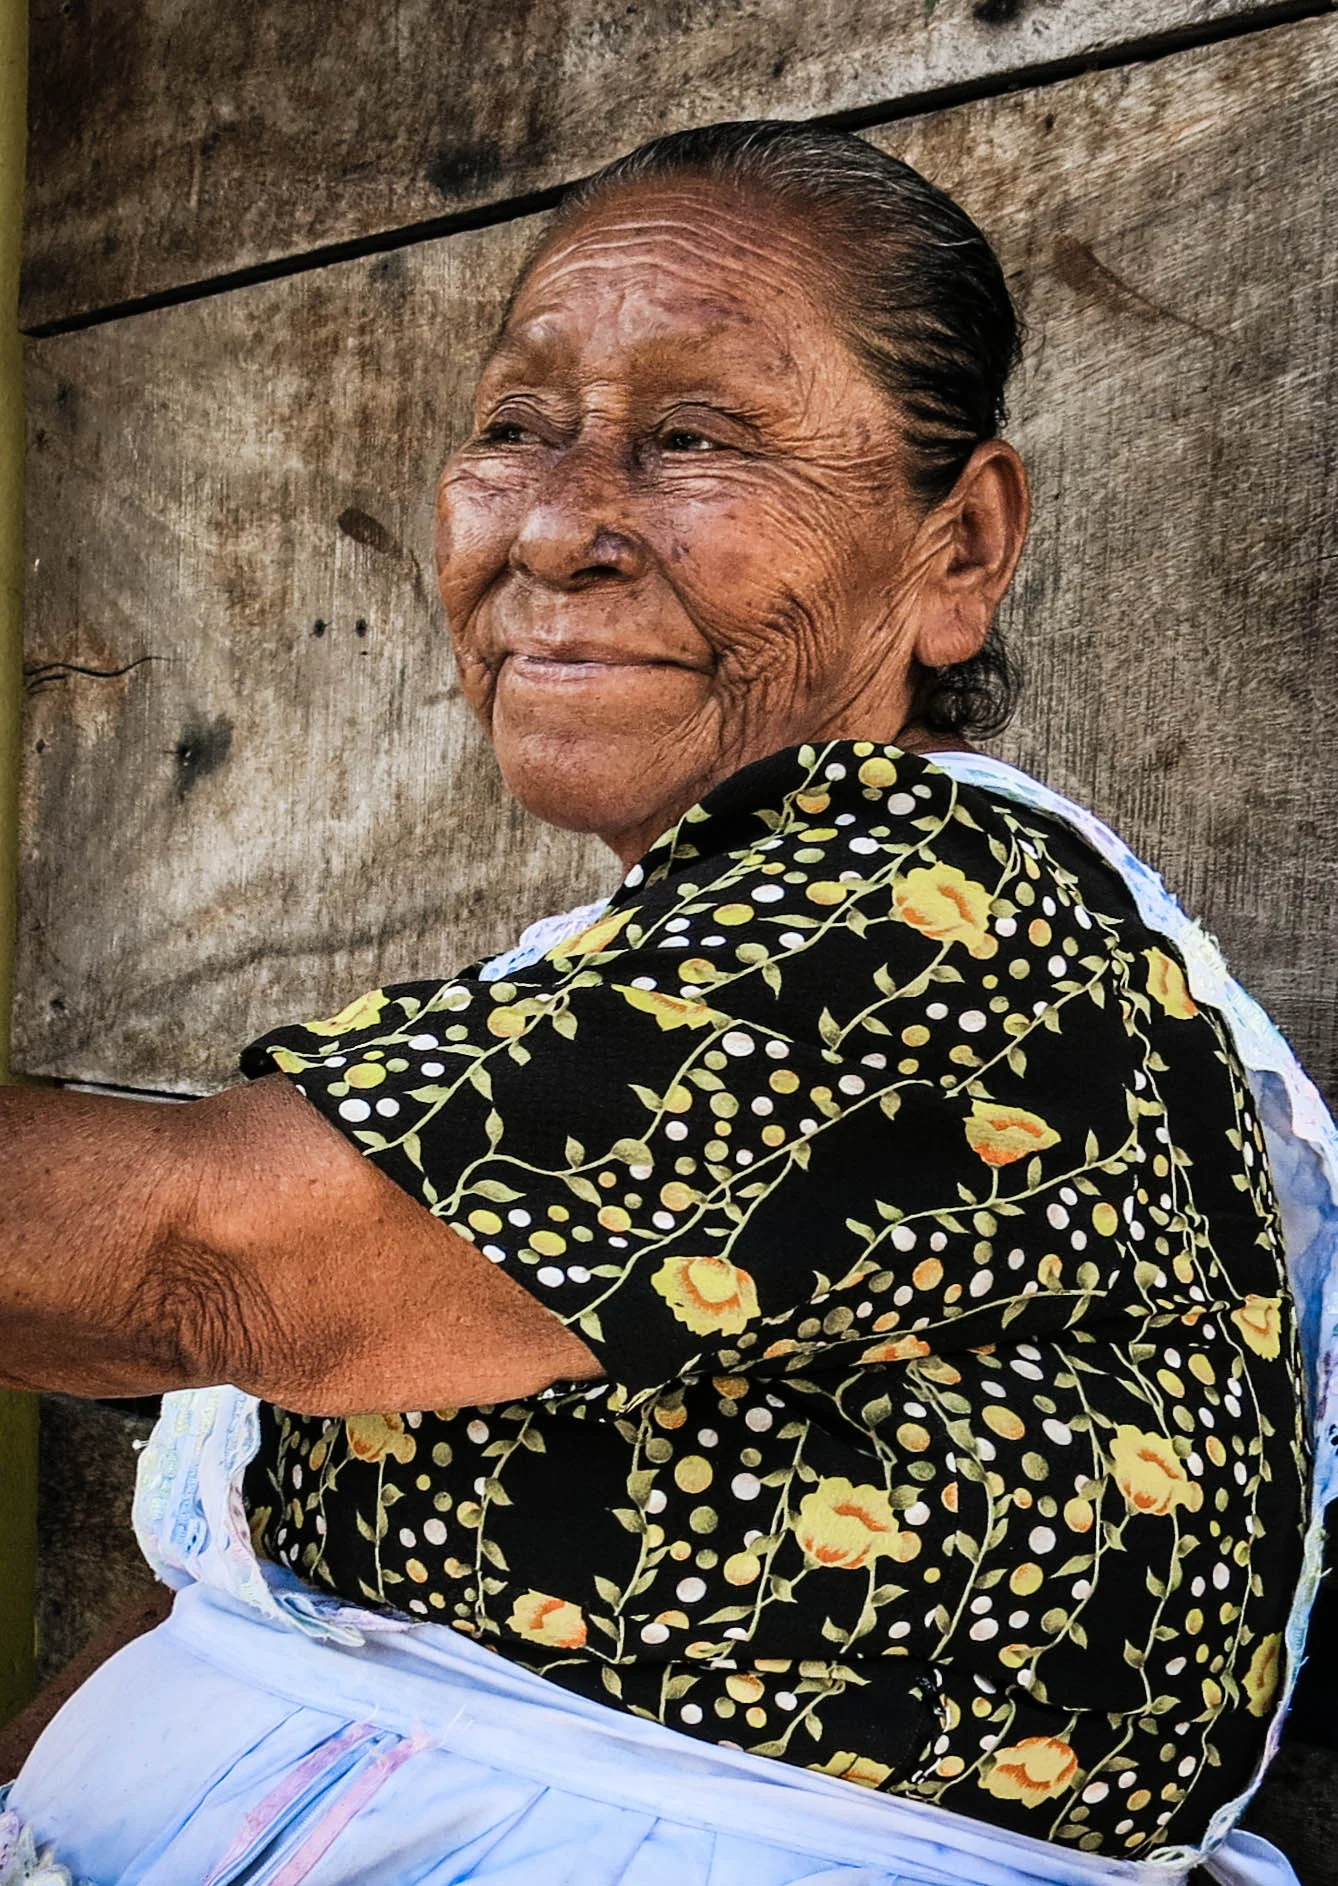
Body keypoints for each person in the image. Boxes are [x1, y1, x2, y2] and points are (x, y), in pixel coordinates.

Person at [0, 121, 1332, 1886]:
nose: (555, 525)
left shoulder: (923, 916)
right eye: (514, 426)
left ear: (958, 549)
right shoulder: (661, 951)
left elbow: (194, 1264)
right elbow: (269, 1552)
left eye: (693, 437)